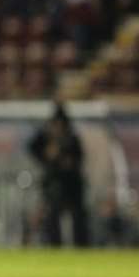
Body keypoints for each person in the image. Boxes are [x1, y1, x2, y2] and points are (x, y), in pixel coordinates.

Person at [28, 103, 88, 246]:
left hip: (72, 184)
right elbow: (34, 150)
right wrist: (48, 154)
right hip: (53, 183)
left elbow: (76, 160)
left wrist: (62, 159)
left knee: (77, 216)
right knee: (52, 215)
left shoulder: (71, 139)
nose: (58, 127)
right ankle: (55, 244)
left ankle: (81, 245)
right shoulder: (45, 138)